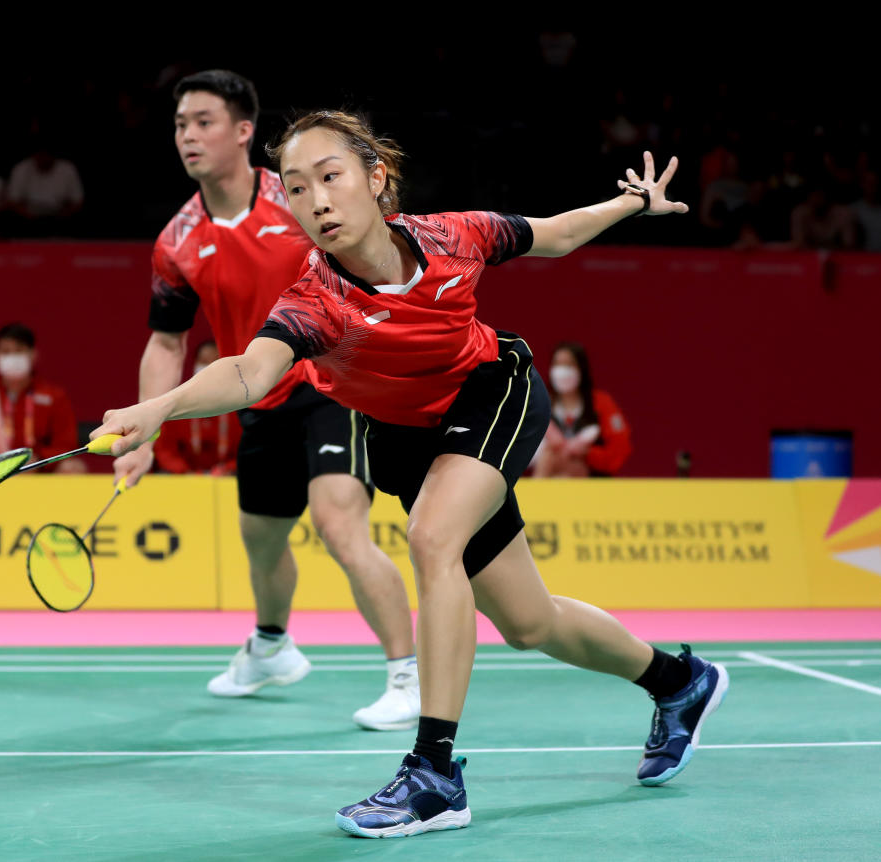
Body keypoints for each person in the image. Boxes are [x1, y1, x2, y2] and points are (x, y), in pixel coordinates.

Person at [95, 111, 729, 839]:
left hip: (490, 394)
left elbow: (551, 234)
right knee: (528, 622)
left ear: (375, 178)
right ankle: (680, 682)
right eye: (298, 190)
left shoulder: (453, 235)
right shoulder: (314, 299)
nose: (317, 202)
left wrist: (629, 204)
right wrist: (163, 407)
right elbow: (248, 371)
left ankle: (434, 775)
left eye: (331, 178)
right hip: (403, 438)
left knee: (433, 539)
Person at [115, 70, 419, 731]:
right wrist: (146, 431)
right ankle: (273, 645)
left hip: (336, 383)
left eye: (203, 121)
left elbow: (378, 249)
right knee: (261, 539)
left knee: (340, 523)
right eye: (179, 125)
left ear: (244, 132)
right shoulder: (178, 241)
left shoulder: (299, 201)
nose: (188, 136)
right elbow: (167, 344)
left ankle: (408, 673)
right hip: (259, 397)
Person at [0, 322, 85, 474]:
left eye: (18, 351)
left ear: (33, 354)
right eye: (6, 352)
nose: (12, 357)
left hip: (40, 468)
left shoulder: (54, 397)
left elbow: (66, 445)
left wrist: (39, 459)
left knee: (73, 467)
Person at [531, 341, 632, 477]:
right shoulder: (539, 404)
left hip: (591, 480)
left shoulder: (602, 404)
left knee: (575, 465)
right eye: (558, 364)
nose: (562, 371)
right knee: (548, 455)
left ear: (581, 369)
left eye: (569, 364)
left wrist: (587, 454)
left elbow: (620, 450)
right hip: (547, 474)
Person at [153, 340, 242, 475]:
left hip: (227, 478)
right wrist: (184, 471)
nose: (209, 367)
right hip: (184, 479)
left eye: (215, 362)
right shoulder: (176, 403)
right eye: (204, 361)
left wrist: (229, 468)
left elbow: (248, 449)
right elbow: (164, 450)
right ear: (195, 364)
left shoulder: (240, 404)